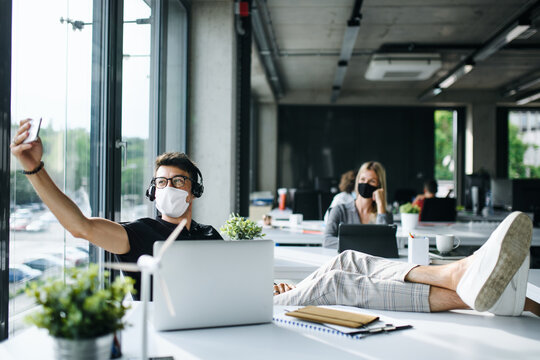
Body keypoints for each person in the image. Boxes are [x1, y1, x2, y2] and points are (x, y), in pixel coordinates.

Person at [10, 119, 222, 296]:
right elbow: (80, 227)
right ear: (153, 192)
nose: (168, 187)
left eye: (177, 181)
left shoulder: (209, 234)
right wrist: (34, 169)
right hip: (157, 335)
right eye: (161, 182)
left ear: (194, 191)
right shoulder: (140, 233)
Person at [275, 211, 539, 316]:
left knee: (347, 259)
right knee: (335, 282)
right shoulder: (341, 205)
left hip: (262, 295)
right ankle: (470, 281)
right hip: (262, 305)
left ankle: (460, 275)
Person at [324, 161, 393, 248]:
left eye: (372, 181)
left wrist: (380, 205)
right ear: (357, 181)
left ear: (379, 186)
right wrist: (359, 244)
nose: (365, 184)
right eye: (363, 179)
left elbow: (385, 243)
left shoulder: (384, 213)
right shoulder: (340, 210)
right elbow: (327, 240)